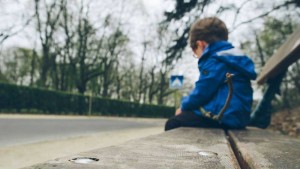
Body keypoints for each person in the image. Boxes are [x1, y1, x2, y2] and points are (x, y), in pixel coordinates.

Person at [165, 17, 257, 131]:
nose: (197, 57)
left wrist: (183, 106)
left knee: (174, 122)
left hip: (221, 118)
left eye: (195, 53)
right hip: (237, 119)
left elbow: (202, 92)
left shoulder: (215, 59)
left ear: (201, 44)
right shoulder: (233, 58)